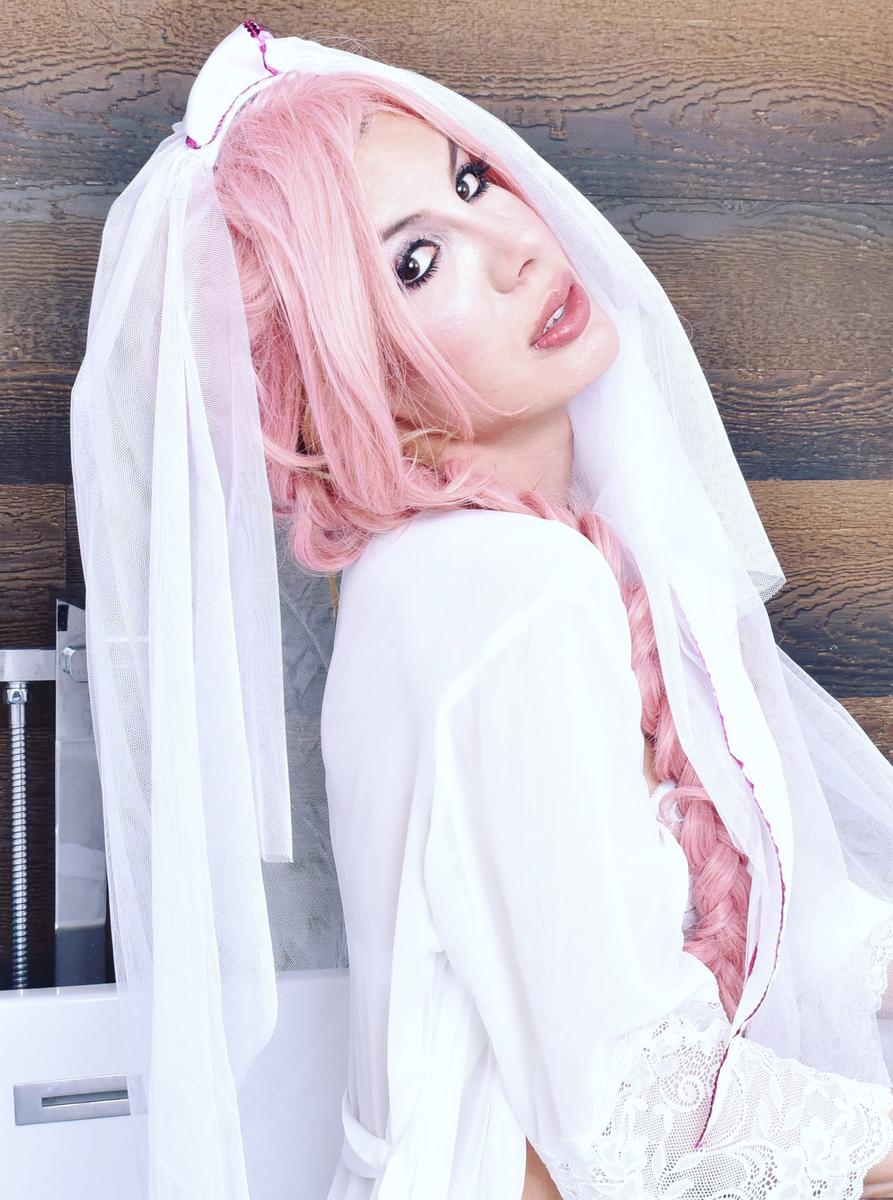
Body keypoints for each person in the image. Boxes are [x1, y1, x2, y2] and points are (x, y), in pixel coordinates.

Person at [70, 22, 893, 1199]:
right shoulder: (516, 592)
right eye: (416, 262)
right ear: (344, 375)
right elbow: (633, 1106)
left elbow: (755, 921)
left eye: (471, 182)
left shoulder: (440, 572)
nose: (513, 247)